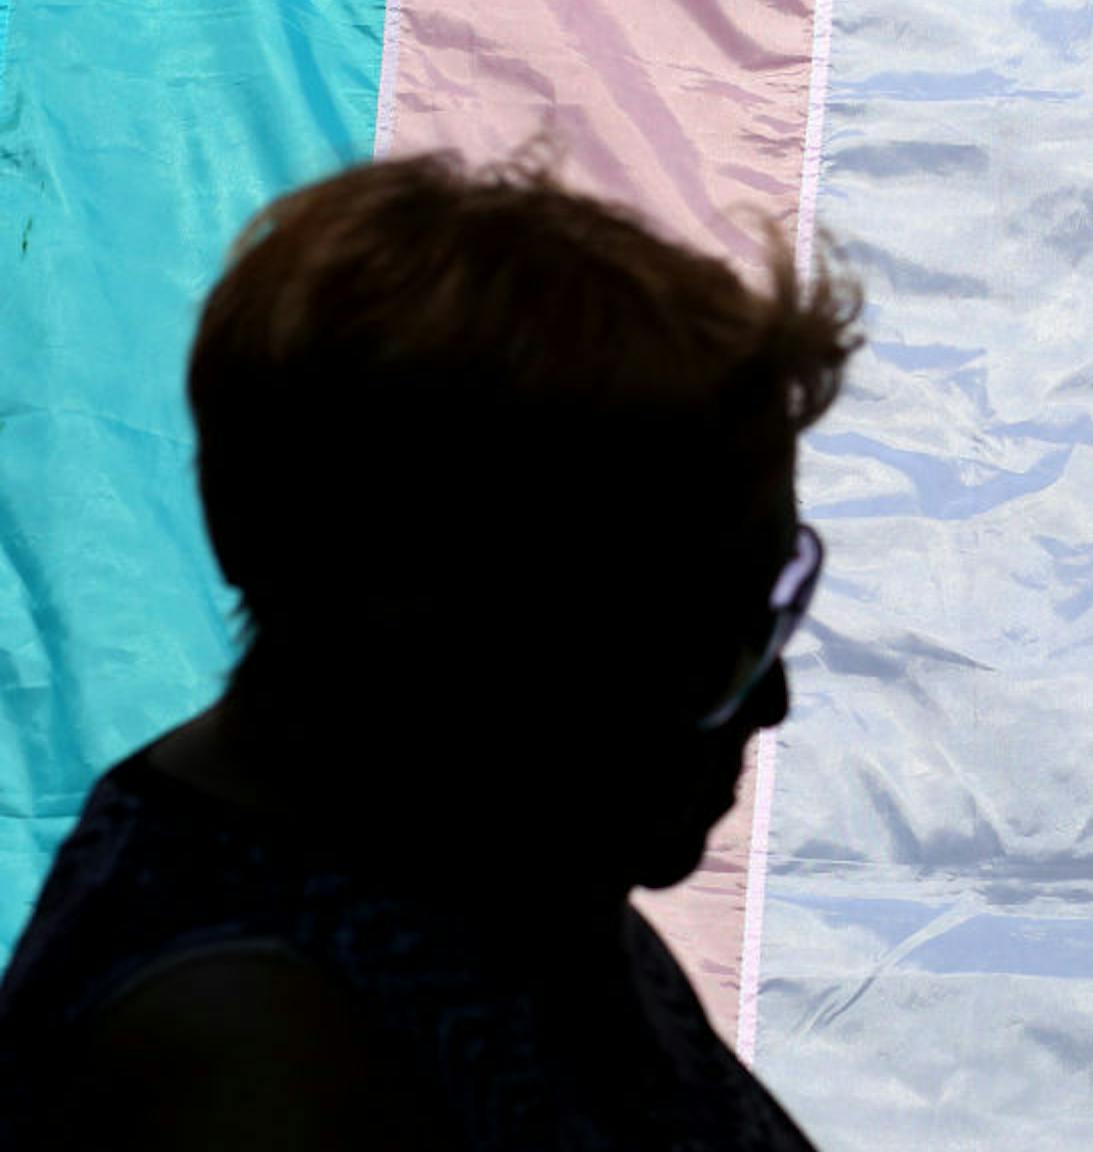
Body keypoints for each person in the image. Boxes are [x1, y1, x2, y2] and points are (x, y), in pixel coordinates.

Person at [0, 147, 860, 1150]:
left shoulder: (494, 867)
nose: (772, 701)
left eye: (764, 611)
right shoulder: (251, 1067)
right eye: (694, 641)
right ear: (448, 637)